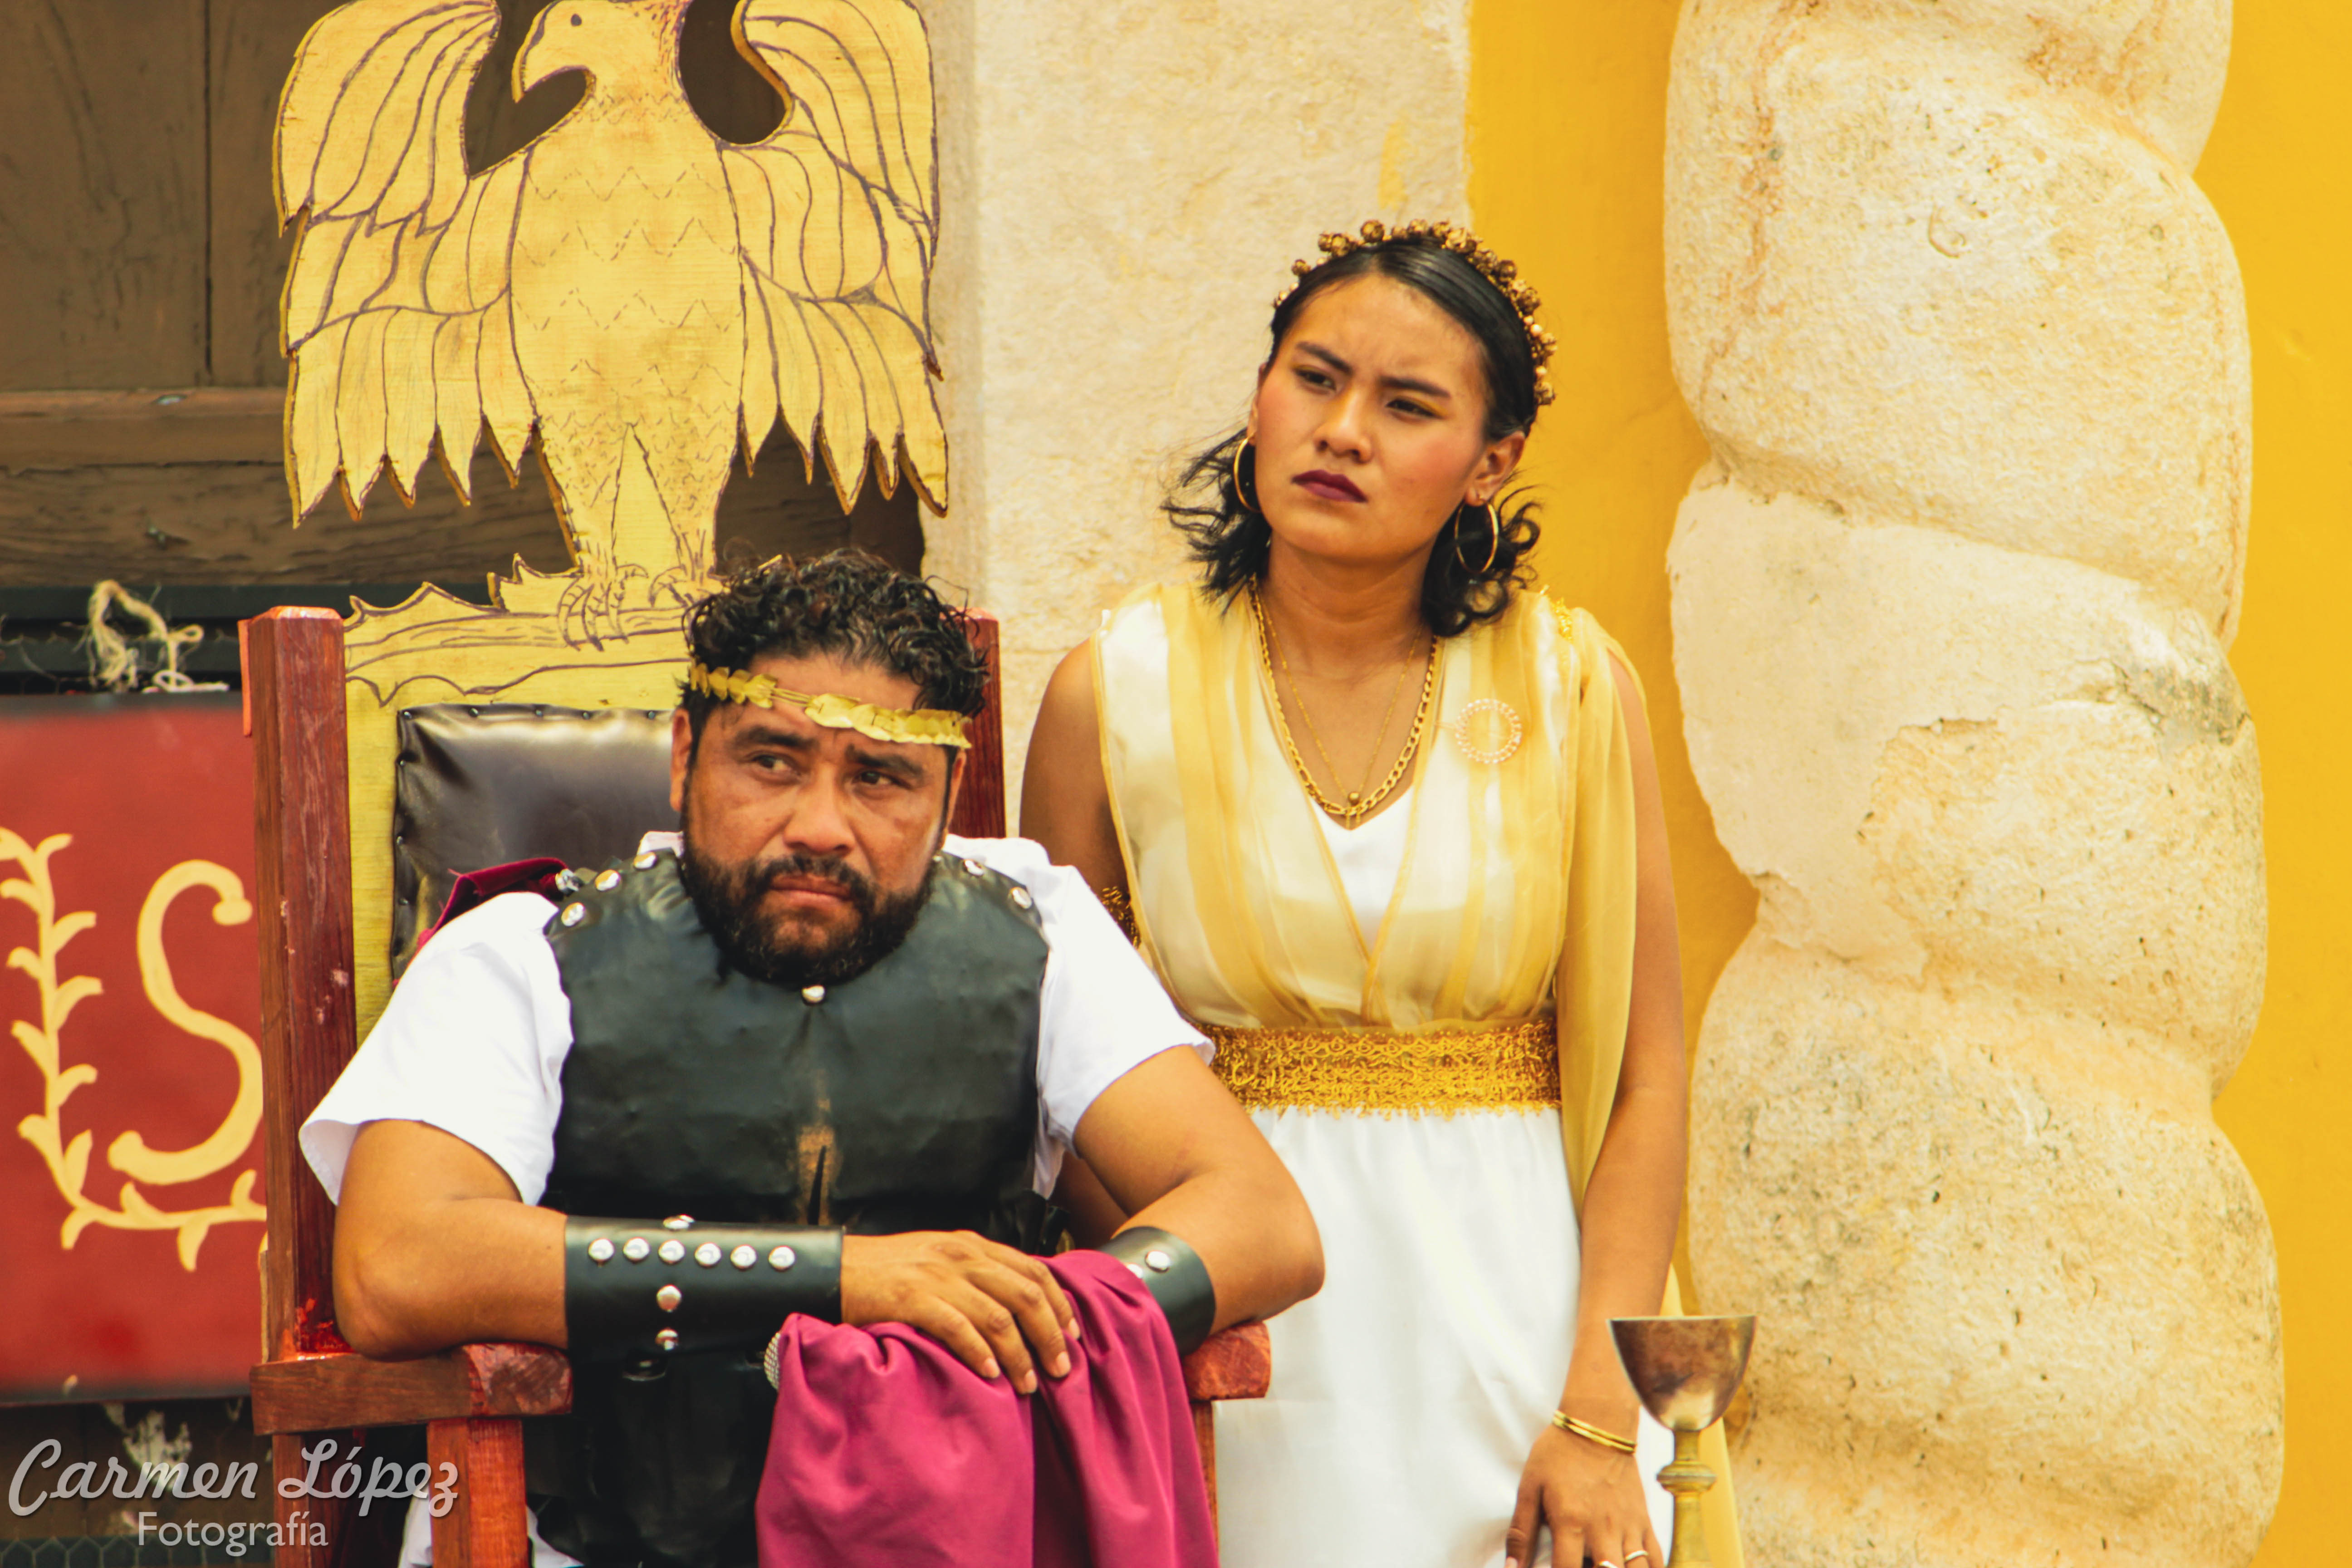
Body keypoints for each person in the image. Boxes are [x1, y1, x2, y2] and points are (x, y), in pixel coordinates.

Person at [303, 552, 1324, 1568]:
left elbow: (1260, 1218)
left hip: (958, 1542)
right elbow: (398, 1266)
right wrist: (850, 1282)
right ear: (684, 756)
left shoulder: (1038, 933)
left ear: (949, 793)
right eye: (773, 763)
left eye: (880, 778)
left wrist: (1051, 1322)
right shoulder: (522, 953)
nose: (821, 827)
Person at [1025, 220, 1739, 1568]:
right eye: (1314, 378)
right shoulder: (1112, 695)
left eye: (1407, 406)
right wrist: (1172, 1341)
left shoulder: (1573, 691)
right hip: (1241, 1340)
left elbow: (1647, 1077)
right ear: (1261, 395)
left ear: (1492, 462)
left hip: (1526, 1338)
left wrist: (1598, 1417)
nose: (1341, 432)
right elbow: (1057, 1085)